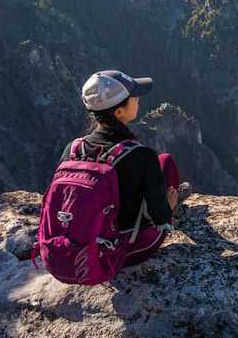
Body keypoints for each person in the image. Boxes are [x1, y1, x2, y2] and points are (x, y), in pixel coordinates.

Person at [60, 69, 191, 266]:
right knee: (166, 161)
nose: (138, 99)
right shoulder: (141, 155)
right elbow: (160, 216)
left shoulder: (73, 149)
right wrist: (169, 208)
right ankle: (175, 204)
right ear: (119, 112)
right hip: (124, 252)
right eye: (134, 97)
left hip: (76, 250)